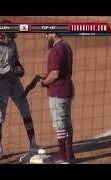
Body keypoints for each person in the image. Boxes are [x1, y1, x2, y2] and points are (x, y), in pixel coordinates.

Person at [0, 20, 45, 160]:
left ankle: (33, 144)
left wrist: (19, 69)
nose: (12, 36)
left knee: (25, 110)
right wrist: (5, 75)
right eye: (10, 33)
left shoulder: (12, 44)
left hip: (15, 83)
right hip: (1, 85)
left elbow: (15, 60)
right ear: (2, 33)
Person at [39, 32, 75, 164]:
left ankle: (63, 158)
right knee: (67, 123)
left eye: (47, 34)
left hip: (58, 92)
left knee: (60, 125)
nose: (46, 37)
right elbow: (59, 71)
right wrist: (45, 76)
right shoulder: (67, 46)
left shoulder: (56, 50)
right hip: (67, 89)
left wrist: (43, 83)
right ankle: (70, 154)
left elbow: (55, 74)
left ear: (53, 33)